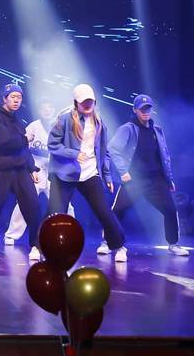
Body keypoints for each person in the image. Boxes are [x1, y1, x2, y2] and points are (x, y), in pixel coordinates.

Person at [48, 84, 127, 262]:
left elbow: (104, 152)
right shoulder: (65, 118)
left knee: (104, 212)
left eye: (90, 101)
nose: (88, 104)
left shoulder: (99, 123)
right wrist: (73, 154)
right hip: (65, 174)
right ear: (76, 103)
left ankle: (119, 246)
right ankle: (42, 247)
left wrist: (107, 175)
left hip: (90, 173)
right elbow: (52, 145)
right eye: (84, 102)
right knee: (55, 213)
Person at [105, 94, 189, 256]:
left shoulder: (157, 130)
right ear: (135, 110)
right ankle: (107, 242)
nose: (145, 112)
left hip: (156, 179)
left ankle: (173, 244)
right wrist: (123, 171)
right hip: (135, 180)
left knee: (170, 210)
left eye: (148, 109)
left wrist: (169, 179)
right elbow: (113, 149)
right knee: (117, 210)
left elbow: (163, 155)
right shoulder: (128, 129)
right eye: (142, 109)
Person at [0, 84, 42, 261]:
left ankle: (36, 245)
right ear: (4, 98)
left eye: (19, 97)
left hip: (20, 169)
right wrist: (25, 138)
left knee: (33, 205)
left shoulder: (17, 120)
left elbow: (23, 149)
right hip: (1, 170)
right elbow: (4, 143)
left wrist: (32, 168)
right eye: (12, 97)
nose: (16, 100)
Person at [3, 97, 75, 245]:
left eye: (50, 107)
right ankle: (11, 235)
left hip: (53, 170)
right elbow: (21, 148)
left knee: (65, 204)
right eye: (44, 108)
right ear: (39, 110)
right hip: (35, 169)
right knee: (25, 202)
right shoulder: (33, 126)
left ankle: (71, 233)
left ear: (54, 110)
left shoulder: (60, 127)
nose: (47, 110)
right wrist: (29, 168)